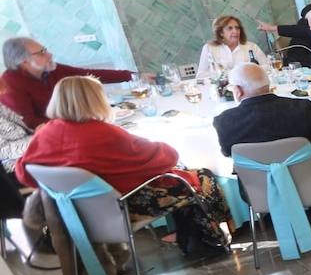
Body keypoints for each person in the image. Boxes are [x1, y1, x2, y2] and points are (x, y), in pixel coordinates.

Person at [16, 76, 231, 256]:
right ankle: (209, 240)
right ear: (94, 100)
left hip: (74, 210)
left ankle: (191, 237)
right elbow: (165, 156)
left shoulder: (46, 132)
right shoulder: (103, 133)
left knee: (180, 177)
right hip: (123, 206)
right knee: (200, 176)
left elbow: (24, 172)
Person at [213, 63, 311, 194]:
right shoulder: (303, 108)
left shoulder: (224, 121)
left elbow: (228, 153)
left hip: (260, 189)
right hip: (310, 182)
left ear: (238, 90)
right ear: (268, 84)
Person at [0, 37, 137, 131]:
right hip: (54, 135)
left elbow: (88, 74)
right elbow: (28, 123)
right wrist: (79, 124)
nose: (49, 55)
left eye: (45, 49)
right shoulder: (10, 84)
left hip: (71, 124)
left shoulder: (50, 69)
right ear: (24, 61)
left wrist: (133, 76)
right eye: (42, 53)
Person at [196, 15, 270, 79]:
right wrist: (228, 74)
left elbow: (268, 67)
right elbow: (201, 75)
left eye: (237, 28)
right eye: (230, 28)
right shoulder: (209, 48)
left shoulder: (251, 47)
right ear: (221, 33)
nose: (235, 31)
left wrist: (249, 71)